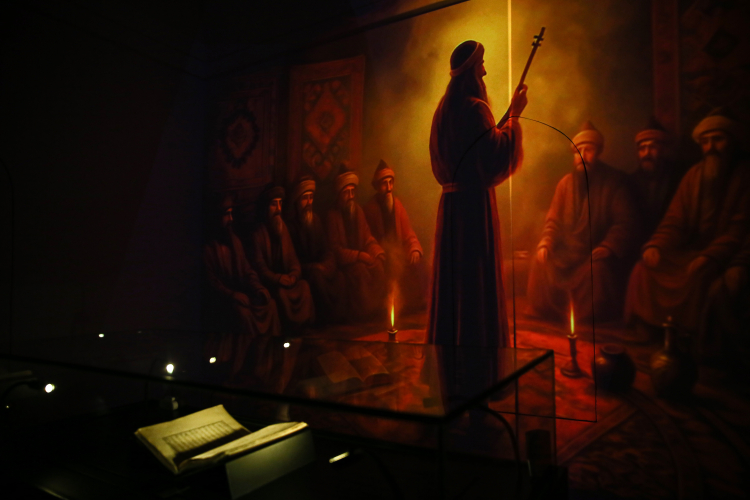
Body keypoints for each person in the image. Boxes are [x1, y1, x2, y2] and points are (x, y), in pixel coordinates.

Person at [428, 40, 526, 348]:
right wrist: (515, 116)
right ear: (471, 70)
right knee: (474, 284)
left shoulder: (442, 112)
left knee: (453, 285)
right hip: (473, 210)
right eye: (480, 65)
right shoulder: (475, 108)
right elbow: (495, 158)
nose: (484, 72)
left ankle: (448, 361)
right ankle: (477, 363)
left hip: (450, 208)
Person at [625, 108, 750, 341]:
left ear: (732, 141)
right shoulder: (693, 175)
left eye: (718, 139)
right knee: (643, 270)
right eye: (705, 142)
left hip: (724, 256)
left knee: (701, 275)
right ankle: (648, 327)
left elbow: (740, 229)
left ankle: (686, 336)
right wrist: (657, 245)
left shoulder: (744, 176)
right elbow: (675, 220)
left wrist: (711, 255)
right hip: (687, 252)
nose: (711, 147)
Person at [526, 121, 639, 323]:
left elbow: (625, 222)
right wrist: (546, 242)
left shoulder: (614, 183)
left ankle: (584, 320)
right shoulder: (565, 184)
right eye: (578, 151)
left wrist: (608, 246)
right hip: (566, 254)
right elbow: (553, 222)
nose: (583, 155)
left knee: (598, 271)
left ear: (598, 152)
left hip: (593, 254)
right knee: (541, 260)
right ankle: (546, 312)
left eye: (589, 150)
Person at [203, 198, 280, 374]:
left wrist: (258, 288)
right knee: (243, 314)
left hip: (242, 295)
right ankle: (242, 368)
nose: (230, 219)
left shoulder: (235, 242)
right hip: (223, 302)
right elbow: (212, 283)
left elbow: (247, 271)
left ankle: (268, 360)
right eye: (226, 215)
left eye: (231, 214)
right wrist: (233, 295)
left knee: (271, 305)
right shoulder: (208, 250)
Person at [363, 160, 427, 312]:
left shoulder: (397, 205)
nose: (389, 188)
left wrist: (414, 248)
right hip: (380, 254)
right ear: (377, 186)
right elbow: (366, 237)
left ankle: (412, 306)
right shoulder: (370, 208)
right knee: (388, 263)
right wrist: (378, 251)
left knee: (417, 262)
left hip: (398, 252)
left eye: (390, 183)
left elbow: (408, 232)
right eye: (384, 184)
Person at [326, 166, 386, 320]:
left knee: (379, 266)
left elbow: (367, 238)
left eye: (353, 192)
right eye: (347, 192)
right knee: (360, 272)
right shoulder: (333, 215)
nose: (351, 196)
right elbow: (335, 250)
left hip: (362, 258)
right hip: (346, 263)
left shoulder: (358, 211)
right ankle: (363, 314)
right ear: (339, 194)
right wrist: (359, 256)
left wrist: (376, 252)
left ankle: (377, 310)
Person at [251, 185, 315, 328]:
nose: (278, 209)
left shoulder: (282, 227)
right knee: (281, 293)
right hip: (273, 283)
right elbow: (260, 267)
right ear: (266, 207)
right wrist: (278, 278)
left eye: (280, 204)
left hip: (287, 279)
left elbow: (293, 259)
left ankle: (304, 327)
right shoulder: (257, 233)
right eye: (274, 204)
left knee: (304, 286)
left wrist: (294, 274)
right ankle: (291, 329)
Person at [285, 176, 347, 323]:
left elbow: (326, 249)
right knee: (316, 278)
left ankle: (339, 318)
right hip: (306, 271)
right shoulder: (290, 227)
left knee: (340, 277)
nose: (309, 203)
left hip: (319, 268)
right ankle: (327, 319)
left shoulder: (316, 220)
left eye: (311, 197)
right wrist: (314, 267)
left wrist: (327, 264)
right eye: (304, 198)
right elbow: (292, 260)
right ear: (297, 201)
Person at [628, 117, 682, 242]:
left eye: (652, 147)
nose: (647, 153)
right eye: (642, 148)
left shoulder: (678, 177)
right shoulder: (630, 182)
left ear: (663, 150)